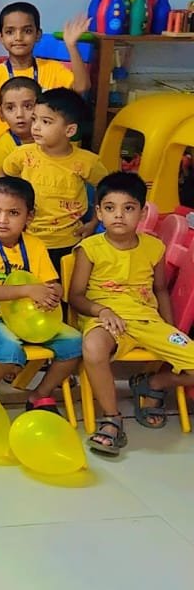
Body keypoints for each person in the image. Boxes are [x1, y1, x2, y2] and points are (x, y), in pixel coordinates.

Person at [71, 172, 194, 456]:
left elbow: (161, 290)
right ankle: (112, 418)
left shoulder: (154, 247)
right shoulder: (90, 248)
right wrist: (102, 310)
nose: (119, 215)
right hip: (106, 319)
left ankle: (155, 383)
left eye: (128, 208)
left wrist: (170, 328)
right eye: (110, 207)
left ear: (142, 212)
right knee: (93, 347)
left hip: (148, 321)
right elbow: (75, 296)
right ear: (99, 212)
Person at [0, 176, 82, 415]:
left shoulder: (35, 245)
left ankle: (40, 394)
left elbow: (51, 283)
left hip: (30, 319)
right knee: (9, 350)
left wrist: (54, 292)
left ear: (29, 217)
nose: (2, 220)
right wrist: (28, 290)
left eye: (13, 213)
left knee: (76, 343)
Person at [1, 87, 106, 273]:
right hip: (27, 239)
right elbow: (3, 179)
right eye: (34, 119)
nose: (36, 127)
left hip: (68, 241)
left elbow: (107, 189)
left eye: (46, 121)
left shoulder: (87, 162)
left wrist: (94, 222)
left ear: (70, 130)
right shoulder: (22, 155)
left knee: (61, 286)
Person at [0, 3, 90, 137]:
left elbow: (81, 87)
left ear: (38, 35)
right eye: (10, 32)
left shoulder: (53, 69)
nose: (18, 37)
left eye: (27, 31)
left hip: (43, 145)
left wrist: (71, 45)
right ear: (1, 37)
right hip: (2, 145)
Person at [0, 76, 39, 184]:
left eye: (28, 106)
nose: (19, 114)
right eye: (10, 108)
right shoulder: (2, 147)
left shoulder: (53, 139)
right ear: (1, 114)